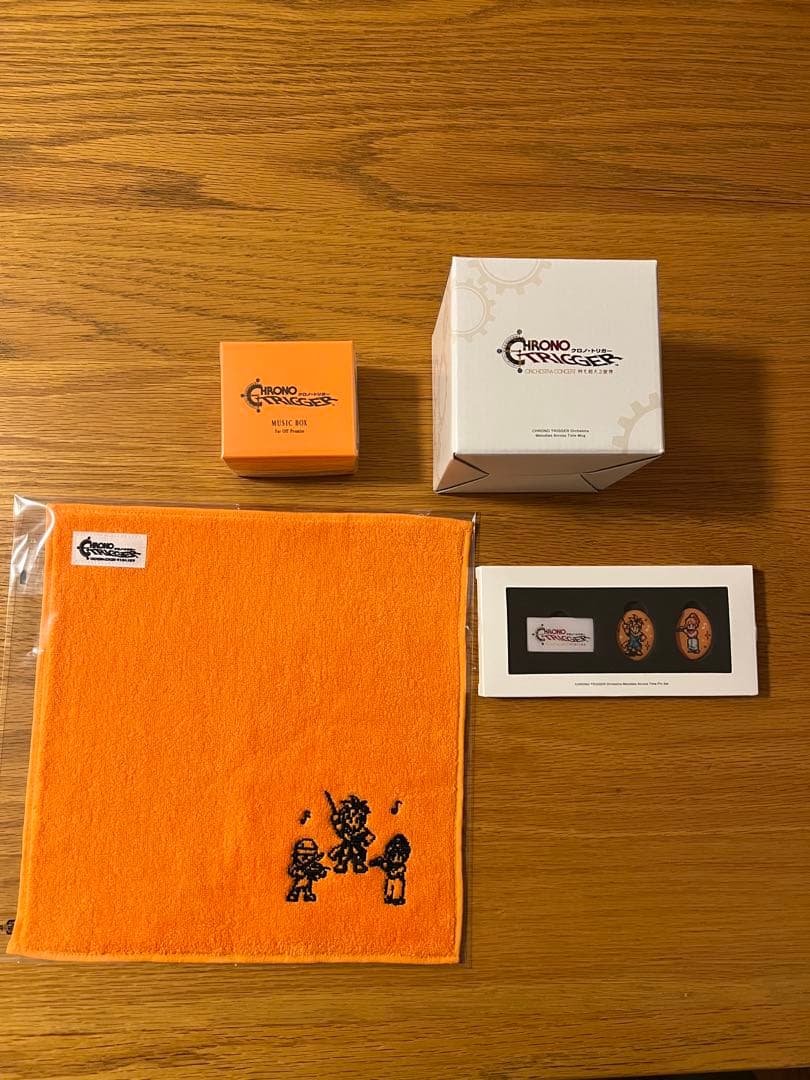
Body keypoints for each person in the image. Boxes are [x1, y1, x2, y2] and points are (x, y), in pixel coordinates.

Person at [325, 792, 375, 874]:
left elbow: (368, 837)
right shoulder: (345, 829)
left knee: (357, 855)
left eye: (357, 820)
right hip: (346, 847)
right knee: (344, 854)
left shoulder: (361, 830)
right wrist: (335, 820)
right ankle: (341, 864)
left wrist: (369, 838)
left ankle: (359, 864)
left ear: (362, 820)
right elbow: (338, 827)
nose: (353, 823)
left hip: (357, 847)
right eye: (349, 820)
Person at [370, 834, 411, 906]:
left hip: (397, 879)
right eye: (393, 856)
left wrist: (394, 870)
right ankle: (389, 897)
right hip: (390, 879)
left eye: (399, 856)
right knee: (389, 887)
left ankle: (397, 898)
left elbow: (401, 869)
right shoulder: (389, 863)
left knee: (397, 888)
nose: (396, 858)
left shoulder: (400, 866)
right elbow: (385, 866)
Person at [286, 837, 329, 902]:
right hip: (299, 881)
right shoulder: (297, 864)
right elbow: (292, 870)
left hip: (308, 882)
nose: (306, 858)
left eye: (309, 855)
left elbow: (321, 871)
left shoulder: (314, 865)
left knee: (308, 888)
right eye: (302, 855)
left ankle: (308, 894)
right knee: (296, 888)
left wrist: (321, 872)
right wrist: (298, 872)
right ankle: (294, 893)